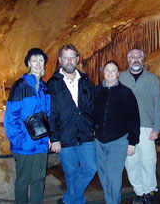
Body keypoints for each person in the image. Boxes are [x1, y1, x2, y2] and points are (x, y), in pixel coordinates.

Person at [47, 44, 97, 204]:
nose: (69, 60)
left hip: (86, 134)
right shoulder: (53, 83)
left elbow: (92, 107)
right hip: (65, 135)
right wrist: (54, 138)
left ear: (77, 59)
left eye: (72, 57)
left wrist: (94, 129)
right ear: (60, 60)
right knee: (71, 173)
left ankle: (68, 199)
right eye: (65, 57)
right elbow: (51, 112)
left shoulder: (86, 81)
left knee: (91, 167)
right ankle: (76, 201)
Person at [4, 48, 51, 204]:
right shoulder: (20, 86)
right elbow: (11, 118)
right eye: (34, 60)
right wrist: (20, 141)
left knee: (39, 179)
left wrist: (50, 137)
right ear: (29, 64)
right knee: (23, 180)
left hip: (42, 143)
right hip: (25, 144)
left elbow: (48, 115)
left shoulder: (45, 87)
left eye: (41, 60)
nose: (38, 64)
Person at [119, 49, 160, 204]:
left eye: (138, 57)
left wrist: (157, 127)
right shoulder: (121, 78)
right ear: (128, 59)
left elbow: (159, 105)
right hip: (125, 128)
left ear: (143, 59)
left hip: (146, 126)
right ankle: (139, 191)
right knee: (131, 163)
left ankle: (149, 192)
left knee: (148, 161)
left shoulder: (152, 80)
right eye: (132, 57)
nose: (136, 59)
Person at [93, 60, 140, 204]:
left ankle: (113, 202)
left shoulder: (126, 93)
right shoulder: (97, 91)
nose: (110, 73)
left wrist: (132, 142)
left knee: (113, 176)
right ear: (103, 73)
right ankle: (111, 200)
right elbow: (90, 113)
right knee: (103, 174)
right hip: (99, 140)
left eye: (113, 70)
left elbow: (134, 118)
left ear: (118, 74)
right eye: (107, 70)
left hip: (118, 141)